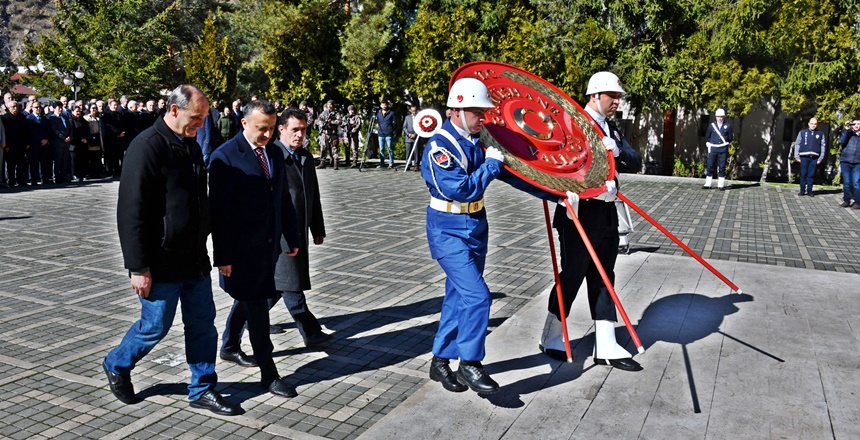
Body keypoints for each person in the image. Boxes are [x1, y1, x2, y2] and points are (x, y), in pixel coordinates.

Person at [105, 84, 241, 416]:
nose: (201, 124)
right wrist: (138, 267)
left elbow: (199, 202)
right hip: (160, 262)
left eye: (204, 118)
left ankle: (203, 388)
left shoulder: (191, 145)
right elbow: (131, 212)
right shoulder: (147, 147)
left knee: (202, 325)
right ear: (174, 110)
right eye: (197, 117)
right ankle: (117, 363)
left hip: (193, 259)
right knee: (155, 326)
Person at [421, 78, 534, 394]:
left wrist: (561, 193)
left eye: (483, 112)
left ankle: (440, 361)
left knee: (458, 297)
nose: (483, 118)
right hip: (447, 229)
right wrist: (490, 166)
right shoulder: (439, 147)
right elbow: (462, 188)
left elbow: (512, 173)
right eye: (476, 112)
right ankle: (470, 362)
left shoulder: (476, 140)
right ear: (455, 110)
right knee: (477, 296)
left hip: (476, 226)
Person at [538, 71, 644, 372]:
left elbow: (635, 161)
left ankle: (606, 341)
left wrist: (617, 149)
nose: (617, 102)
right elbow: (559, 164)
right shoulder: (572, 124)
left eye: (619, 97)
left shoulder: (610, 128)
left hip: (607, 212)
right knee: (572, 274)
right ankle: (552, 334)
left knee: (604, 275)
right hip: (578, 213)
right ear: (595, 95)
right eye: (613, 96)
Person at [209, 100, 302, 397]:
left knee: (253, 299)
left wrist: (292, 236)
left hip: (269, 245)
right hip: (240, 250)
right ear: (245, 123)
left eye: (272, 128)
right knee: (258, 310)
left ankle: (229, 346)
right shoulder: (225, 157)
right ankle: (269, 373)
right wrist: (222, 255)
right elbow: (219, 212)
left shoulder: (274, 152)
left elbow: (282, 200)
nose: (267, 134)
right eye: (262, 128)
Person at [268, 108, 333, 344]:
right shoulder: (271, 155)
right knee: (291, 281)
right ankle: (311, 331)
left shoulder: (304, 157)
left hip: (299, 230)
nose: (299, 135)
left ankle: (243, 323)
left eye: (303, 130)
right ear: (281, 129)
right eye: (295, 129)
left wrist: (318, 228)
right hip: (279, 233)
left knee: (277, 285)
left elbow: (312, 196)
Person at [794, 117, 826, 197]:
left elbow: (823, 145)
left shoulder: (820, 134)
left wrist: (821, 157)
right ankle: (802, 190)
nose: (813, 125)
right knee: (803, 174)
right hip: (804, 156)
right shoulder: (802, 132)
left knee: (811, 175)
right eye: (812, 123)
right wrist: (796, 156)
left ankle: (810, 190)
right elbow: (797, 143)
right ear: (808, 124)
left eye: (815, 124)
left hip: (814, 158)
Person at [703, 108, 733, 190]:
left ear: (724, 117)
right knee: (710, 165)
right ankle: (708, 183)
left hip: (723, 149)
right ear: (716, 117)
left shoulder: (728, 126)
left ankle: (721, 184)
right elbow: (707, 136)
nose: (720, 118)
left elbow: (730, 137)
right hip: (713, 148)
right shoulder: (712, 126)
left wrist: (725, 143)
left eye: (722, 116)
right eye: (719, 116)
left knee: (722, 166)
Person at [1, 100, 30, 187]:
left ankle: (21, 180)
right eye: (13, 106)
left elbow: (26, 131)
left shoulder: (22, 117)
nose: (15, 108)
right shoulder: (5, 118)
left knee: (21, 164)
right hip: (10, 145)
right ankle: (11, 181)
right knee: (11, 165)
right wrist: (6, 145)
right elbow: (5, 132)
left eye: (16, 106)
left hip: (21, 145)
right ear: (9, 108)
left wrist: (27, 143)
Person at [837, 117, 860, 209]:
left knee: (856, 183)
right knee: (847, 182)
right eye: (855, 124)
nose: (857, 126)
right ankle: (846, 200)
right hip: (846, 161)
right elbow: (841, 141)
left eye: (858, 124)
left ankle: (857, 202)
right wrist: (846, 130)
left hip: (858, 163)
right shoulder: (848, 133)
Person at [27, 101, 51, 184]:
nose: (38, 109)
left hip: (44, 144)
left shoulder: (44, 118)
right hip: (34, 144)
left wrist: (46, 139)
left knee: (44, 162)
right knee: (34, 162)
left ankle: (44, 178)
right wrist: (40, 139)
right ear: (32, 108)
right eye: (36, 107)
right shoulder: (29, 118)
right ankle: (33, 179)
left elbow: (48, 130)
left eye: (39, 107)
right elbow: (31, 132)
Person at [48, 101, 73, 182]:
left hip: (66, 143)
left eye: (61, 107)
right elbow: (55, 130)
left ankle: (63, 175)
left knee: (64, 160)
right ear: (55, 108)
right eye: (59, 107)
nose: (61, 109)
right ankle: (56, 176)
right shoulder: (52, 118)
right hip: (58, 143)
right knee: (57, 160)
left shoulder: (65, 117)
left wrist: (69, 136)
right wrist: (63, 138)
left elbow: (70, 128)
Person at [315, 99, 341, 169]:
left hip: (333, 134)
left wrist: (331, 122)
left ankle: (335, 164)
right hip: (325, 134)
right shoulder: (324, 113)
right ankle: (322, 163)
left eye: (331, 104)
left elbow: (339, 121)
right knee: (323, 148)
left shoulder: (336, 113)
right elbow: (317, 120)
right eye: (328, 104)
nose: (330, 106)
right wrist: (321, 124)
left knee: (334, 149)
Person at [69, 106, 90, 181]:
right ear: (72, 111)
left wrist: (85, 138)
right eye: (76, 111)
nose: (78, 113)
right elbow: (72, 132)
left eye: (79, 111)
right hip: (74, 144)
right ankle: (75, 174)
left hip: (83, 143)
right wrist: (80, 139)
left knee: (83, 159)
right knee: (74, 160)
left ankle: (83, 174)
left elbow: (87, 129)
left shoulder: (82, 120)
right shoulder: (71, 120)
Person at [83, 103, 105, 178]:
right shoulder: (86, 118)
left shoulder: (98, 118)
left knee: (97, 158)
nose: (94, 110)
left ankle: (97, 172)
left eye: (95, 108)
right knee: (90, 158)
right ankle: (90, 173)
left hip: (98, 139)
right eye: (92, 108)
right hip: (90, 139)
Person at [376, 100, 396, 168]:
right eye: (382, 104)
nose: (384, 106)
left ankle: (391, 163)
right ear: (380, 105)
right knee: (381, 149)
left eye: (385, 104)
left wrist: (391, 130)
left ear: (387, 105)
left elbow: (394, 123)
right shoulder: (378, 114)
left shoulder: (391, 113)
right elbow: (377, 122)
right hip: (380, 134)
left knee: (389, 148)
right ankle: (382, 163)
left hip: (388, 134)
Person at [403, 103, 420, 171]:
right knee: (408, 152)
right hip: (408, 138)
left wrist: (415, 134)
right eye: (412, 110)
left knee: (416, 152)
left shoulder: (419, 118)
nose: (414, 112)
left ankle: (416, 165)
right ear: (410, 110)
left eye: (415, 110)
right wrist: (408, 134)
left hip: (415, 137)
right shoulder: (407, 117)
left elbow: (420, 127)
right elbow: (404, 127)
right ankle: (408, 164)